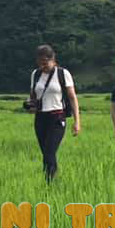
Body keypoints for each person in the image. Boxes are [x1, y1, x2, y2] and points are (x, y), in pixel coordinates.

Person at [26, 44, 80, 181]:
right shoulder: (36, 74)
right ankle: (50, 182)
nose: (42, 66)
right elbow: (33, 95)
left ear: (53, 59)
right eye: (39, 63)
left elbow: (73, 98)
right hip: (40, 118)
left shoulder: (63, 74)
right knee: (45, 154)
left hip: (57, 117)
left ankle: (51, 183)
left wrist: (77, 122)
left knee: (49, 152)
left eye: (45, 63)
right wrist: (30, 105)